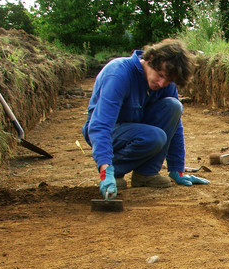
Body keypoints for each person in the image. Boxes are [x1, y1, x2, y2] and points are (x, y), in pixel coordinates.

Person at [82, 38, 208, 200]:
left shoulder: (164, 83)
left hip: (138, 128)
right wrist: (105, 170)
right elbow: (100, 125)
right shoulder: (119, 73)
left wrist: (177, 168)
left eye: (168, 80)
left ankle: (146, 174)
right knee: (153, 136)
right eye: (160, 75)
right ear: (150, 59)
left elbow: (174, 123)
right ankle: (115, 171)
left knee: (173, 106)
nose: (162, 83)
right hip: (108, 130)